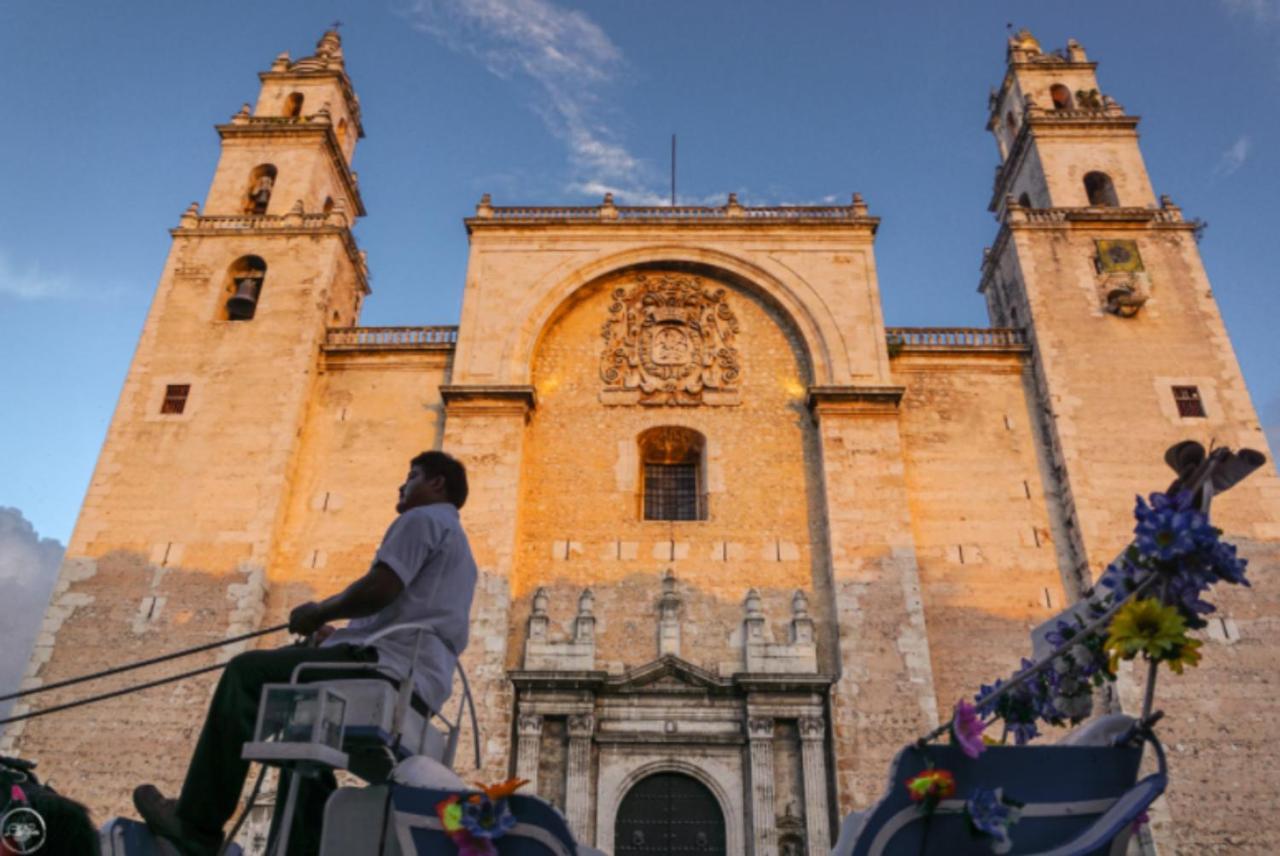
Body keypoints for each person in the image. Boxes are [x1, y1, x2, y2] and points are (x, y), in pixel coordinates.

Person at [133, 450, 477, 855]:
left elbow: (379, 589)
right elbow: (404, 613)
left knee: (246, 674)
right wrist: (335, 636)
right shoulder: (462, 551)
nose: (401, 486)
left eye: (412, 475)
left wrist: (318, 611)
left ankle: (196, 825)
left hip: (382, 668)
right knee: (301, 732)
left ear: (437, 484)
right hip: (420, 685)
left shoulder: (422, 520)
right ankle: (301, 846)